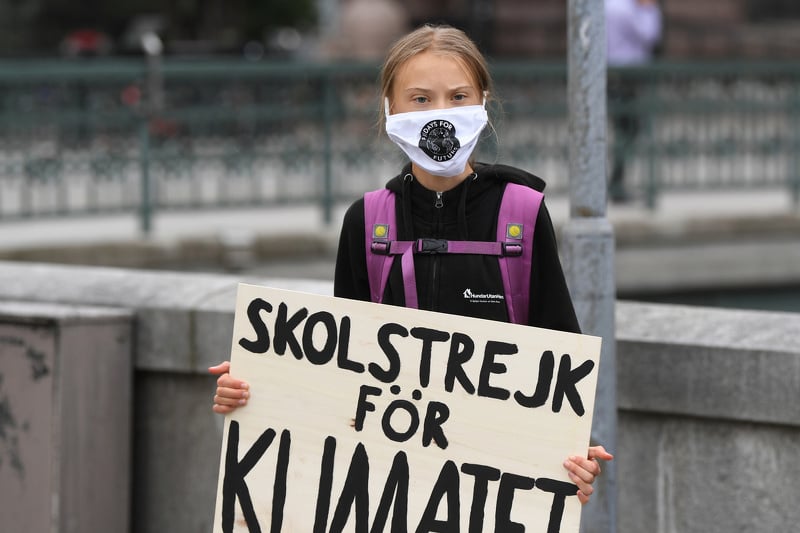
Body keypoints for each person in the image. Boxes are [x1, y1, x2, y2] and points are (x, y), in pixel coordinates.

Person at [210, 23, 613, 505]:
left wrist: (569, 455)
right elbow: (342, 371)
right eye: (420, 99)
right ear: (390, 109)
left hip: (491, 495)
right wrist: (264, 384)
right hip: (396, 493)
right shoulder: (366, 222)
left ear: (482, 104)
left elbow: (558, 359)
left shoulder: (522, 215)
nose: (440, 113)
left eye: (458, 96)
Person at [606, 0, 663, 202]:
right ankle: (615, 184)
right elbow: (650, 35)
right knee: (628, 129)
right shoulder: (625, 9)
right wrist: (650, 9)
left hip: (611, 73)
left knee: (623, 129)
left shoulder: (606, 5)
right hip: (627, 76)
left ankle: (615, 182)